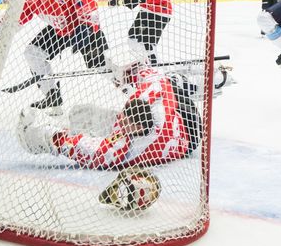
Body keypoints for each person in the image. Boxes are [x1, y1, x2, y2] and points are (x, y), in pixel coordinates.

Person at [16, 61, 202, 170]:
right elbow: (155, 76)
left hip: (189, 138)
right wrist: (129, 73)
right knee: (81, 113)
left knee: (84, 127)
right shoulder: (152, 97)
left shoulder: (130, 149)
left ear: (136, 129)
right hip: (182, 114)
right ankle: (188, 82)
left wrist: (52, 138)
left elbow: (92, 152)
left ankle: (34, 141)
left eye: (125, 122)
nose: (122, 120)